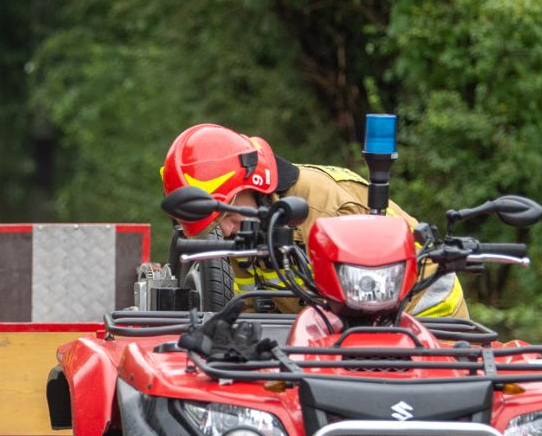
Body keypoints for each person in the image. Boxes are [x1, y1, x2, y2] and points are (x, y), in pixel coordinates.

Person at [159, 123, 466, 317]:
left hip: (428, 317)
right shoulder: (248, 223)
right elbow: (251, 309)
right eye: (216, 223)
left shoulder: (327, 210)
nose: (225, 230)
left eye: (227, 213)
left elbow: (366, 307)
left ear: (254, 183)